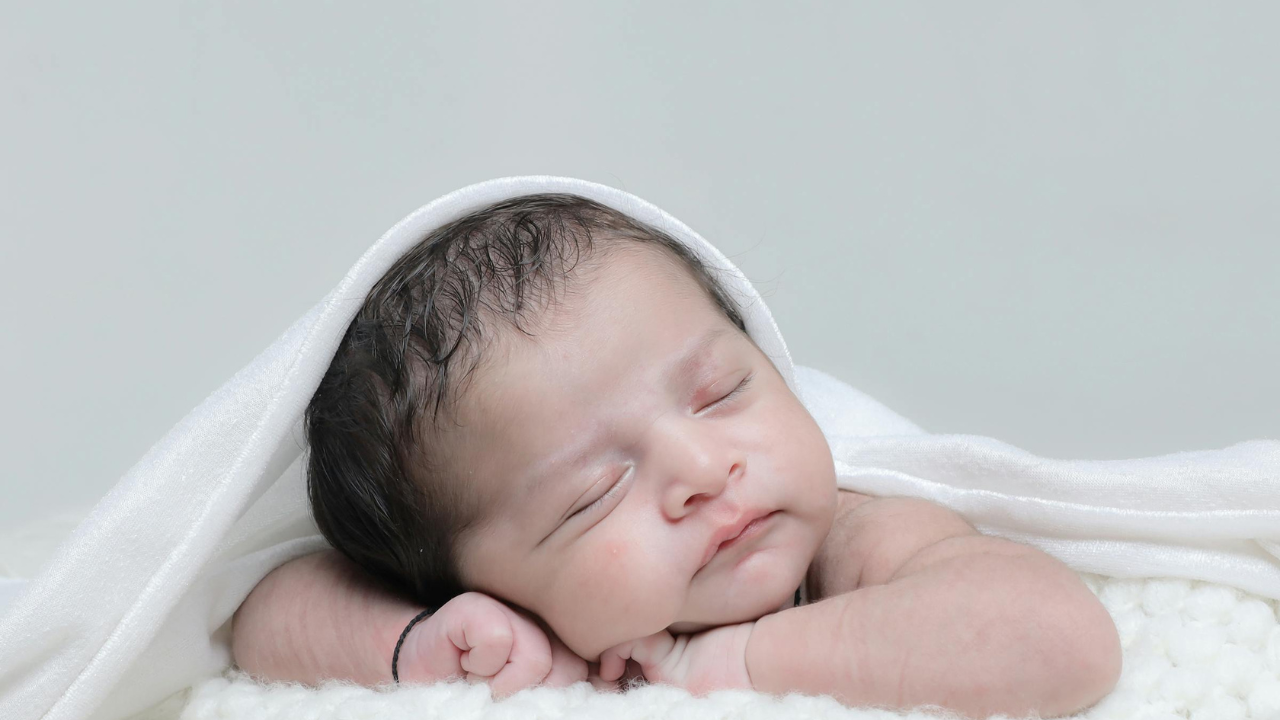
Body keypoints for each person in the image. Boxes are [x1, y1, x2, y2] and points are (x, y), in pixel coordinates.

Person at [229, 193, 1121, 718]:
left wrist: (733, 664)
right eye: (595, 491)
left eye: (721, 394)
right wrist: (418, 646)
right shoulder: (506, 618)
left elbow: (1060, 641)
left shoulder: (856, 533)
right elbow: (264, 610)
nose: (701, 470)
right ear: (481, 579)